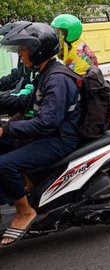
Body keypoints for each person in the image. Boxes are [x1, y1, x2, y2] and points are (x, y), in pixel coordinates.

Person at [0, 22, 81, 246]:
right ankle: (23, 183)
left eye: (23, 50)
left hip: (60, 139)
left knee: (3, 165)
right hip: (50, 133)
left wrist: (6, 129)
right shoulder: (44, 73)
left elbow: (47, 122)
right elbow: (27, 102)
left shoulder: (57, 79)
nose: (20, 54)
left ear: (38, 50)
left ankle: (25, 211)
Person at [0, 21, 34, 93]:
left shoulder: (38, 68)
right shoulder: (24, 66)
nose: (19, 54)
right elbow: (13, 78)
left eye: (21, 49)